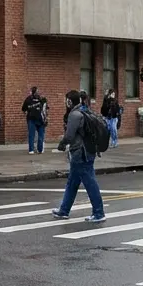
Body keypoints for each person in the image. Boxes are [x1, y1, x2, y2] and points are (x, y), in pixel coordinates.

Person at [52, 90, 105, 223]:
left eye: (66, 100)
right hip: (85, 152)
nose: (65, 103)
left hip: (81, 153)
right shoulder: (83, 111)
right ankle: (64, 210)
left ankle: (99, 213)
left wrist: (62, 143)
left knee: (89, 182)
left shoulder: (74, 115)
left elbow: (69, 136)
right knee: (72, 183)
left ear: (69, 101)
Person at [22, 87, 49, 155]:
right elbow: (46, 109)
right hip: (40, 119)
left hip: (33, 119)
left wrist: (27, 112)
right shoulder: (42, 99)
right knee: (40, 135)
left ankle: (32, 150)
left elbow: (23, 109)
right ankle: (39, 149)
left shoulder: (29, 99)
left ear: (32, 92)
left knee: (32, 135)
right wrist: (46, 117)